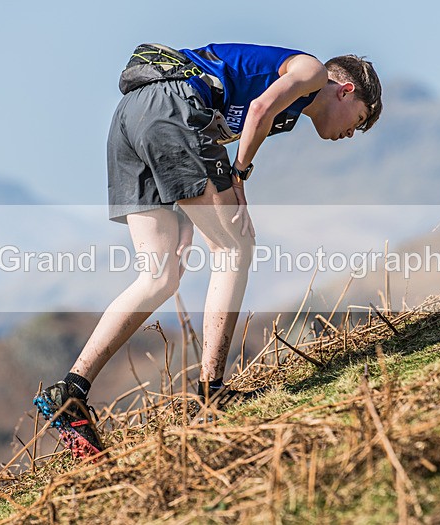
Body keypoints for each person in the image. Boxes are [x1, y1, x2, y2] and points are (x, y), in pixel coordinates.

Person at [34, 43, 382, 457]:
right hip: (173, 107)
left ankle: (71, 391)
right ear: (344, 90)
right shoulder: (310, 72)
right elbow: (257, 110)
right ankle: (212, 392)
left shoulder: (292, 112)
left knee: (160, 276)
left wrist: (221, 192)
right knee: (235, 249)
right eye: (358, 120)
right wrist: (238, 176)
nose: (349, 135)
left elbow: (251, 120)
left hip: (132, 119)